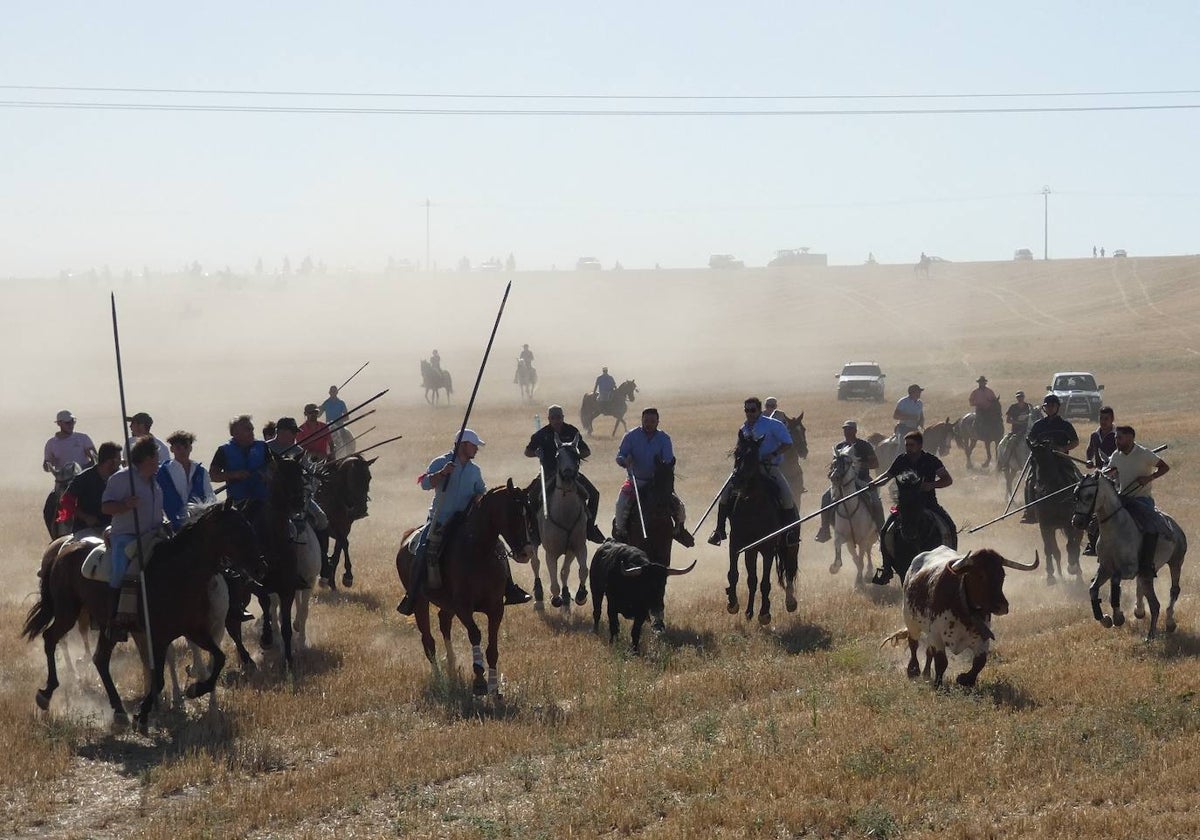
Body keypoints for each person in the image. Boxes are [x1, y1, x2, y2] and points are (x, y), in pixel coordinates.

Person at [397, 429, 530, 616]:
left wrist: (479, 497)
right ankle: (412, 595)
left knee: (498, 547)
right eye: (473, 445)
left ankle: (510, 588)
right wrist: (442, 474)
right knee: (423, 549)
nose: (476, 449)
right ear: (463, 445)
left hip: (466, 521)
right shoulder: (441, 462)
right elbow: (426, 484)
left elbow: (481, 491)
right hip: (440, 519)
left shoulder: (475, 470)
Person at [707, 397, 800, 547]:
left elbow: (788, 443)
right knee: (724, 495)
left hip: (769, 468)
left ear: (759, 410)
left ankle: (789, 533)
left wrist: (773, 454)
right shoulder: (743, 428)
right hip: (746, 470)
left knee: (787, 496)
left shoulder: (773, 425)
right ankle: (719, 530)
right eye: (746, 410)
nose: (749, 413)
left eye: (752, 410)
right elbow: (739, 448)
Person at [100, 436, 166, 632]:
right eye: (155, 458)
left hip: (154, 535)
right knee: (120, 572)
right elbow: (105, 507)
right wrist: (125, 505)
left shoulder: (156, 480)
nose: (158, 462)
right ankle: (113, 620)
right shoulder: (121, 479)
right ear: (146, 459)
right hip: (126, 537)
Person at [873, 430, 954, 584]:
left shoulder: (931, 460)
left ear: (920, 445)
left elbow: (948, 480)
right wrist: (874, 483)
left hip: (928, 503)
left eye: (911, 445)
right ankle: (887, 568)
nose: (908, 448)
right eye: (906, 445)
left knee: (949, 526)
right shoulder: (901, 460)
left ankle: (952, 564)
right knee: (885, 532)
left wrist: (932, 485)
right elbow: (887, 475)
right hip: (904, 506)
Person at [524, 405, 605, 543]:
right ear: (549, 419)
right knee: (532, 497)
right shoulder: (541, 434)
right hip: (549, 473)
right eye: (553, 418)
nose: (557, 420)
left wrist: (574, 453)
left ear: (563, 417)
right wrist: (537, 453)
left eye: (559, 417)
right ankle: (536, 532)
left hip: (571, 474)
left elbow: (586, 451)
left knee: (594, 494)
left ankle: (589, 528)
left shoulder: (572, 431)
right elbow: (527, 452)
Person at [614, 408, 693, 546]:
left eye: (652, 421)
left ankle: (679, 530)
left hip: (657, 484)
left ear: (657, 422)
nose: (648, 424)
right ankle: (621, 534)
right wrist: (624, 460)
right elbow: (620, 455)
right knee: (620, 506)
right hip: (635, 482)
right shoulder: (631, 436)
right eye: (646, 421)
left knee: (680, 508)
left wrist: (664, 468)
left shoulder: (664, 438)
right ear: (642, 421)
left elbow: (668, 460)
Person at [1106, 425, 1170, 576]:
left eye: (1119, 438)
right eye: (1116, 438)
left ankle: (1147, 564)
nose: (1116, 441)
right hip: (1123, 498)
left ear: (1130, 438)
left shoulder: (1144, 454)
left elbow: (1164, 467)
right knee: (1098, 520)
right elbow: (1110, 471)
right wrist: (1100, 470)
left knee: (1150, 527)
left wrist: (1149, 478)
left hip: (1142, 499)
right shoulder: (1116, 455)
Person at [813, 420, 883, 542]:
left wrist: (858, 465)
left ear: (855, 431)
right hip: (842, 483)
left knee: (875, 501)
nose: (847, 432)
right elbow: (834, 466)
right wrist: (833, 472)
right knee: (825, 497)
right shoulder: (839, 447)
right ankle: (824, 530)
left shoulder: (864, 445)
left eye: (850, 429)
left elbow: (875, 464)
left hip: (863, 480)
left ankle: (881, 530)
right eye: (845, 429)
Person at [1020, 394, 1079, 523]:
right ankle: (1030, 512)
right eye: (1047, 406)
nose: (1050, 408)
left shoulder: (1065, 425)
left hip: (1061, 459)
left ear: (1058, 407)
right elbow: (1030, 439)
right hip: (1041, 461)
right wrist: (1036, 447)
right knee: (1029, 482)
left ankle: (1078, 507)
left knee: (1076, 478)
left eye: (1053, 406)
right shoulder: (1038, 425)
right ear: (1044, 408)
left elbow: (1075, 441)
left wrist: (1063, 448)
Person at [157, 430, 216, 532]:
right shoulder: (162, 472)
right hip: (171, 528)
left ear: (190, 448)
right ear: (172, 449)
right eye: (179, 448)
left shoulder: (201, 472)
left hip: (198, 526)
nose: (183, 451)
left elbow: (210, 497)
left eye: (186, 447)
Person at [59, 441, 122, 534]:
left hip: (113, 528)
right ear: (109, 461)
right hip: (86, 529)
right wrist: (85, 517)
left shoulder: (121, 478)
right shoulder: (83, 478)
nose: (121, 462)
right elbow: (66, 502)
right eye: (119, 459)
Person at [210, 415, 274, 505]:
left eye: (252, 429)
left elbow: (274, 469)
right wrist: (235, 475)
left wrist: (267, 476)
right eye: (248, 429)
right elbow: (213, 476)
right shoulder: (223, 450)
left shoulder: (263, 447)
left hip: (262, 501)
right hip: (237, 503)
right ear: (235, 433)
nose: (252, 432)